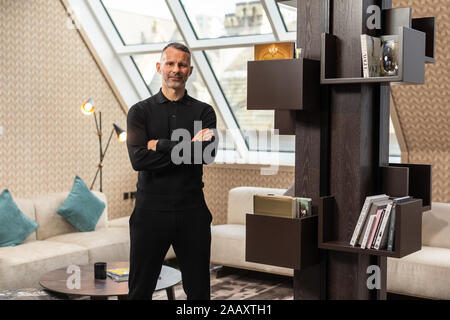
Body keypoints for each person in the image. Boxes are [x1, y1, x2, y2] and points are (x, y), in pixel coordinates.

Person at [126, 42, 218, 300]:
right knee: (139, 291)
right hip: (149, 213)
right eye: (170, 63)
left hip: (193, 212)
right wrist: (189, 148)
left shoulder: (204, 112)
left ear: (190, 71)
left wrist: (162, 145)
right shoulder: (139, 112)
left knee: (199, 292)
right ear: (159, 67)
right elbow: (139, 159)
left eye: (182, 65)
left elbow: (206, 155)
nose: (176, 69)